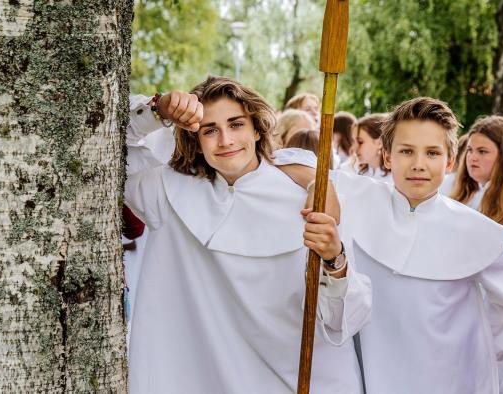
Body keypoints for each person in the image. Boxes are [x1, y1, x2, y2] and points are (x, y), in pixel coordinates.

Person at [125, 76, 371, 394]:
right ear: (194, 138)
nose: (225, 140)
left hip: (294, 380)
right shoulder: (167, 192)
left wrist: (335, 261)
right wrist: (159, 108)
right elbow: (107, 146)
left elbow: (344, 322)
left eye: (236, 124)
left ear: (256, 129)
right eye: (210, 130)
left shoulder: (312, 199)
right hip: (201, 379)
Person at [276, 97, 503, 394]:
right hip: (378, 368)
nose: (418, 164)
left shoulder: (478, 231)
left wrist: (481, 349)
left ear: (450, 160)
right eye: (406, 151)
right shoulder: (361, 197)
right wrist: (319, 184)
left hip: (453, 373)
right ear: (386, 157)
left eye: (432, 153)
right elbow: (281, 159)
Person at [443, 115, 503, 394]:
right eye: (471, 150)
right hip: (468, 327)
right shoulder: (468, 196)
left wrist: (495, 339)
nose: (472, 158)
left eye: (483, 151)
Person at [354, 113, 392, 183]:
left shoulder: (394, 180)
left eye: (360, 142)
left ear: (380, 143)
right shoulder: (357, 173)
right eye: (354, 141)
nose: (354, 148)